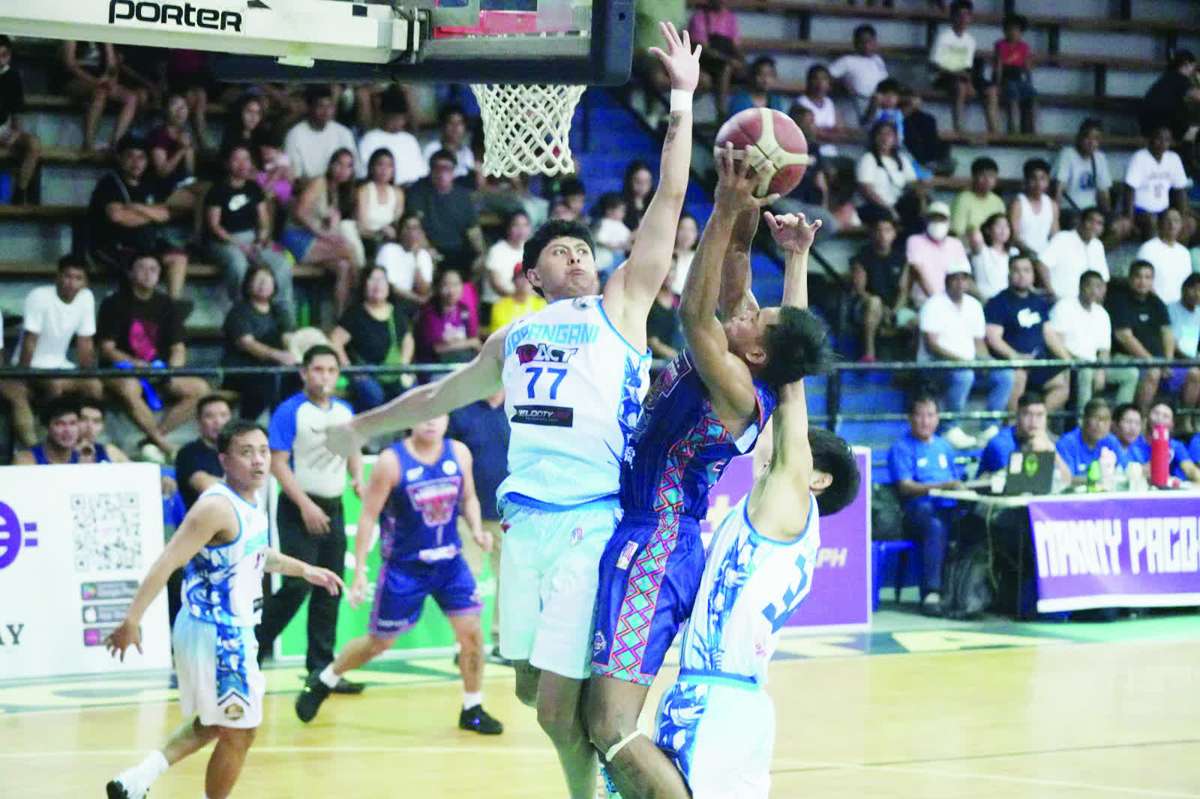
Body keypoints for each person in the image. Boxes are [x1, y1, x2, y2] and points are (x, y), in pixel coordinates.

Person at [320, 23, 699, 799]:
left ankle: (598, 782)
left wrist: (684, 104)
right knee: (534, 693)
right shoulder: (514, 335)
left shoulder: (620, 306)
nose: (579, 257)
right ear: (531, 273)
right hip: (524, 527)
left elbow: (665, 201)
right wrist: (362, 426)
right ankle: (609, 740)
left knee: (561, 704)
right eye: (561, 253)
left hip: (591, 521)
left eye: (584, 250)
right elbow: (436, 396)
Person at [588, 152, 830, 798]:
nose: (747, 309)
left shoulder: (739, 388)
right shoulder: (754, 365)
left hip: (658, 541)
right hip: (651, 546)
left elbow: (698, 316)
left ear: (756, 351)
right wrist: (757, 213)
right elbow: (736, 282)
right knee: (591, 718)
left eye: (758, 318)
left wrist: (723, 206)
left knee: (606, 724)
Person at [652, 329, 859, 798]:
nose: (785, 443)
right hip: (743, 702)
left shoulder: (787, 504)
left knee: (615, 745)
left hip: (714, 699)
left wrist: (794, 275)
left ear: (818, 479)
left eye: (802, 447)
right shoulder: (781, 522)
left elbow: (792, 387)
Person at [103, 421, 345, 799]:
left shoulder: (250, 501)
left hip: (226, 630)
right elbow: (167, 561)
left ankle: (134, 780)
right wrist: (132, 619)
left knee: (218, 722)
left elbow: (255, 554)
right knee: (241, 731)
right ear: (224, 460)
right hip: (217, 633)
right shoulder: (216, 507)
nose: (258, 461)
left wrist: (305, 569)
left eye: (263, 451)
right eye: (246, 452)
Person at [294, 415, 503, 733]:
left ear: (447, 420)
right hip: (405, 568)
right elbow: (367, 517)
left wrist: (476, 529)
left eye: (439, 415)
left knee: (472, 634)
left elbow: (468, 497)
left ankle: (472, 707)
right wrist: (361, 570)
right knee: (379, 643)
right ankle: (325, 679)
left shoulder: (459, 453)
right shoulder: (392, 461)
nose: (431, 422)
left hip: (449, 563)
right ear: (411, 419)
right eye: (425, 416)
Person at [257, 345, 364, 690]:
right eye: (318, 369)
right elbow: (277, 463)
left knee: (330, 586)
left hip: (333, 506)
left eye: (331, 370)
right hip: (298, 507)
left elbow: (353, 447)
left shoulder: (345, 410)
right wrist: (305, 505)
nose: (325, 377)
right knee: (297, 583)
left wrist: (358, 478)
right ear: (304, 373)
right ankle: (253, 649)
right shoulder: (291, 412)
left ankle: (321, 669)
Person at [97, 255, 210, 458]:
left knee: (200, 389)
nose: (148, 274)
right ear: (130, 273)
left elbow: (178, 347)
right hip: (120, 369)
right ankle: (163, 445)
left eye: (154, 269)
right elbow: (107, 348)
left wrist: (171, 370)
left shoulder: (167, 304)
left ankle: (152, 439)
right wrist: (135, 364)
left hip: (158, 369)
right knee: (131, 387)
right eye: (142, 268)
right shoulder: (113, 303)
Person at [0, 256, 102, 448]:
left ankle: (83, 444)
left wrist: (87, 373)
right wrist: (23, 376)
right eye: (67, 276)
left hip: (61, 364)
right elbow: (30, 341)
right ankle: (48, 440)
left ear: (85, 281)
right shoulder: (39, 296)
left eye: (78, 278)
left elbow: (85, 342)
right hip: (34, 366)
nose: (71, 282)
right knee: (55, 385)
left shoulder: (86, 297)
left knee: (94, 386)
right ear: (57, 277)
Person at [918, 263, 1014, 449]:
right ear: (947, 281)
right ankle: (949, 428)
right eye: (955, 278)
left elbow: (979, 344)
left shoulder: (974, 305)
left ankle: (990, 427)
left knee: (1004, 373)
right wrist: (962, 361)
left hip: (968, 361)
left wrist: (987, 362)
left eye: (964, 278)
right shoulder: (933, 304)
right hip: (935, 363)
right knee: (964, 374)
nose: (960, 282)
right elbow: (932, 346)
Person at [86, 135, 191, 299]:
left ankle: (172, 308)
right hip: (114, 244)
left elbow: (166, 214)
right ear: (120, 159)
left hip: (147, 243)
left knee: (178, 257)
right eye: (130, 156)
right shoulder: (110, 183)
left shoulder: (151, 182)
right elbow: (117, 216)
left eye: (141, 157)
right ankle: (137, 314)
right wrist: (152, 213)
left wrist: (137, 208)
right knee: (142, 266)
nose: (136, 162)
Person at [448, 391, 511, 658]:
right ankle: (464, 644)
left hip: (511, 514)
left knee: (509, 580)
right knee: (466, 580)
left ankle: (504, 642)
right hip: (467, 512)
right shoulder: (462, 411)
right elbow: (447, 458)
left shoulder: (520, 409)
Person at [889, 395, 964, 614]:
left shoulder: (944, 447)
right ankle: (931, 592)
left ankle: (966, 591)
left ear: (938, 419)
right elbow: (904, 486)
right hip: (916, 510)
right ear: (910, 418)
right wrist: (942, 486)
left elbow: (957, 480)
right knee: (934, 524)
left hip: (948, 506)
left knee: (976, 520)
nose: (925, 421)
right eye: (920, 415)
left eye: (930, 415)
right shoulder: (901, 447)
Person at [205, 143, 295, 316]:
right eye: (236, 159)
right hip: (225, 241)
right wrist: (239, 245)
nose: (242, 164)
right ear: (227, 163)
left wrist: (260, 240)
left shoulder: (254, 189)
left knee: (283, 262)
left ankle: (282, 313)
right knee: (238, 264)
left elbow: (264, 222)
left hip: (252, 239)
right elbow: (214, 226)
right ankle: (242, 312)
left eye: (246, 159)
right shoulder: (217, 190)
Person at [171, 394, 233, 628]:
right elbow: (205, 485)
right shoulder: (189, 453)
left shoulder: (237, 453)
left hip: (234, 538)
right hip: (197, 542)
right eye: (210, 416)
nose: (218, 422)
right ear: (199, 421)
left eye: (223, 415)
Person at [984, 255, 1071, 413]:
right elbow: (993, 338)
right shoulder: (998, 302)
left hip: (1038, 361)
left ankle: (1036, 421)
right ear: (1009, 274)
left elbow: (1048, 333)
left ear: (1032, 275)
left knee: (1062, 385)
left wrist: (1067, 359)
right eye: (1016, 270)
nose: (1021, 274)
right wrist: (1016, 357)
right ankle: (1013, 426)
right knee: (1019, 376)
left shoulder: (1038, 301)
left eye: (1026, 270)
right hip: (1012, 363)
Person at [282, 147, 362, 317]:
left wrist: (330, 232)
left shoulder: (337, 192)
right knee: (349, 250)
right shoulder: (319, 182)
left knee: (344, 266)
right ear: (331, 165)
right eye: (338, 164)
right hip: (296, 237)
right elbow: (300, 212)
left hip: (315, 241)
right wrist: (323, 234)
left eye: (348, 166)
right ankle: (361, 300)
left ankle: (341, 317)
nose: (342, 170)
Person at [1048, 270, 1139, 414]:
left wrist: (1101, 370)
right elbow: (1057, 341)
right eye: (1089, 286)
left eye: (1098, 287)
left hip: (1095, 363)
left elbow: (1104, 350)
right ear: (1080, 286)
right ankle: (1082, 423)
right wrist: (1078, 361)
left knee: (1131, 373)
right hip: (1070, 362)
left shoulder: (1102, 314)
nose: (1093, 291)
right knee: (1086, 372)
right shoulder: (1064, 306)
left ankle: (1120, 419)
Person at [329, 266, 415, 412]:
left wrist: (404, 363)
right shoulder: (355, 314)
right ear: (364, 285)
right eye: (372, 280)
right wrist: (350, 369)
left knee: (412, 391)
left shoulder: (397, 312)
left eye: (381, 280)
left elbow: (408, 339)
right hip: (366, 374)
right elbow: (335, 340)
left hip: (393, 371)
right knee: (373, 395)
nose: (377, 285)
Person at [221, 266, 297, 420]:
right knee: (267, 379)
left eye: (267, 281)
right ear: (248, 284)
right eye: (258, 280)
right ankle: (248, 423)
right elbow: (247, 343)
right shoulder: (239, 312)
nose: (263, 284)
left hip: (274, 367)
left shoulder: (279, 311)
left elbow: (288, 337)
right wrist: (276, 355)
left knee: (296, 377)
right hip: (243, 369)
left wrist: (292, 354)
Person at [1108, 260, 1173, 413]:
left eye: (1147, 277)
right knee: (1153, 372)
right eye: (1138, 277)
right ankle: (1141, 419)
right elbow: (1124, 337)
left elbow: (1167, 332)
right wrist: (1151, 361)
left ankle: (1188, 421)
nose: (1143, 281)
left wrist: (1168, 362)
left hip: (1158, 360)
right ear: (1130, 278)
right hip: (1125, 357)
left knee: (1193, 374)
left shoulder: (1156, 302)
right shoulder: (1119, 301)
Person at [405, 150, 486, 271]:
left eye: (447, 169)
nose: (442, 173)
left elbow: (473, 229)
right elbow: (414, 226)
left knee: (486, 262)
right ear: (431, 170)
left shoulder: (463, 195)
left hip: (459, 250)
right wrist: (426, 249)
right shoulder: (418, 192)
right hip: (430, 249)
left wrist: (482, 253)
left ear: (453, 171)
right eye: (438, 169)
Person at [849, 216, 912, 362]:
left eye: (887, 230)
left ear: (894, 234)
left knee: (916, 321)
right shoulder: (862, 257)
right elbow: (860, 291)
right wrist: (883, 311)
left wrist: (894, 311)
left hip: (894, 308)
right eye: (878, 230)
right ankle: (869, 354)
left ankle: (910, 367)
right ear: (872, 234)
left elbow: (903, 291)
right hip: (865, 306)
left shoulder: (901, 259)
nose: (883, 234)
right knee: (874, 302)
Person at [930, 0, 999, 133]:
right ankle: (959, 128)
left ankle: (993, 130)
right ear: (952, 17)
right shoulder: (943, 37)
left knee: (991, 90)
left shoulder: (970, 40)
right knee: (960, 87)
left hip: (963, 75)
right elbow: (935, 65)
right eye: (959, 15)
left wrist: (970, 83)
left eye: (967, 15)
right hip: (944, 75)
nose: (963, 19)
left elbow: (968, 67)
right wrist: (961, 78)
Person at [61, 41, 140, 152]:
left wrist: (111, 80)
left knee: (131, 98)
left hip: (100, 81)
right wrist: (94, 81)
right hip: (76, 80)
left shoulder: (104, 36)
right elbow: (70, 64)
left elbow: (112, 66)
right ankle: (88, 143)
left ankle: (115, 144)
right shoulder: (72, 33)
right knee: (100, 93)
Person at [977, 389, 1070, 482]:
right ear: (1017, 416)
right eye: (1027, 414)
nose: (1034, 421)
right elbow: (1012, 481)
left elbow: (1067, 481)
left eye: (1040, 415)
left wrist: (1052, 451)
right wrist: (1031, 452)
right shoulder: (1001, 444)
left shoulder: (1048, 440)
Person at [1122, 127, 1194, 242]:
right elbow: (1129, 189)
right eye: (1158, 139)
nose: (1162, 143)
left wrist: (1183, 216)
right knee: (1152, 221)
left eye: (1167, 140)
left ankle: (1175, 252)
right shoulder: (1140, 157)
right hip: (1140, 211)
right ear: (1151, 140)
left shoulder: (1173, 158)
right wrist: (1129, 218)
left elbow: (1181, 190)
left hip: (1164, 210)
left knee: (1189, 223)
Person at [1053, 119, 1119, 228]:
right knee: (1077, 222)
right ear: (1079, 137)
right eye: (1088, 137)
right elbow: (1058, 190)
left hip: (1092, 210)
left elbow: (1104, 193)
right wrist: (1055, 218)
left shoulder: (1100, 158)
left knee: (1120, 225)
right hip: (1069, 210)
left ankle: (1100, 245)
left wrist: (1108, 216)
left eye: (1096, 138)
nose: (1092, 142)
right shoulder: (1067, 154)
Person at [284, 84, 358, 181]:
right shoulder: (294, 135)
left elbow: (354, 170)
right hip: (309, 188)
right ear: (309, 108)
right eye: (320, 106)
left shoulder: (344, 133)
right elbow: (295, 178)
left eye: (329, 106)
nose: (326, 111)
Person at [357, 85, 427, 187]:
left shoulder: (410, 140)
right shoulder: (370, 139)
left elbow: (421, 173)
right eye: (394, 118)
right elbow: (364, 174)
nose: (398, 123)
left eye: (401, 119)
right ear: (383, 116)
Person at [0, 36, 42, 204]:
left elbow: (16, 112)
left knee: (34, 143)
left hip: (2, 128)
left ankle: (20, 190)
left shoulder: (12, 76)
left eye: (4, 55)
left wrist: (15, 134)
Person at [906, 201, 970, 309]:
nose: (937, 223)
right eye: (933, 219)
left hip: (953, 301)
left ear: (949, 222)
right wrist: (937, 303)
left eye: (941, 219)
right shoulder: (915, 241)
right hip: (924, 302)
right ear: (926, 221)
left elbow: (963, 276)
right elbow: (917, 273)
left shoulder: (956, 244)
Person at [1039, 206, 1109, 301]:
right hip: (1060, 300)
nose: (1094, 226)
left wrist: (1099, 301)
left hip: (1087, 304)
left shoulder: (1098, 245)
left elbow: (1103, 278)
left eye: (1099, 223)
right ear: (1081, 221)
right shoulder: (1063, 238)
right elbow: (1042, 264)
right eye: (1091, 221)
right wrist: (1051, 292)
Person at [855, 120, 918, 226]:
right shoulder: (868, 159)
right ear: (874, 138)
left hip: (897, 205)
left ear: (895, 139)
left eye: (889, 134)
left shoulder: (902, 159)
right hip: (875, 206)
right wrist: (888, 208)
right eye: (881, 134)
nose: (884, 138)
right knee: (884, 215)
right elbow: (866, 190)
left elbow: (912, 183)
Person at [1118, 401, 1200, 482]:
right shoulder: (1133, 442)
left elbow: (1190, 469)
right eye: (1156, 413)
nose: (1159, 418)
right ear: (1147, 417)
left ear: (1172, 424)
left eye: (1165, 416)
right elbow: (1128, 472)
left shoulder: (1175, 446)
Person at [687, 0, 743, 117]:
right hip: (705, 61)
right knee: (725, 68)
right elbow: (703, 49)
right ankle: (721, 112)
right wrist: (728, 60)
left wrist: (741, 61)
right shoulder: (699, 17)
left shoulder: (730, 18)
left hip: (726, 60)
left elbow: (736, 46)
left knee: (749, 72)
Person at [415, 268, 481, 365]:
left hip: (462, 365)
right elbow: (438, 348)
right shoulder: (429, 312)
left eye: (456, 284)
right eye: (446, 285)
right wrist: (470, 343)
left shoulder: (464, 310)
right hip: (436, 368)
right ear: (438, 288)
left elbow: (474, 338)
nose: (451, 290)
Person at [830, 24, 889, 123]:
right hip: (858, 101)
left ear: (875, 42)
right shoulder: (847, 60)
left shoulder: (878, 61)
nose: (866, 46)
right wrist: (842, 83)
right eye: (862, 42)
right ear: (855, 43)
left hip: (879, 101)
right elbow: (827, 75)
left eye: (869, 42)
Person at [1056, 398, 1126, 481]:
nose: (1100, 424)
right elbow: (1066, 479)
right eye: (1096, 418)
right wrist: (1099, 479)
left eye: (1106, 419)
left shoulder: (1111, 441)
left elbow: (1124, 471)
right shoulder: (1067, 443)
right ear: (1084, 419)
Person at [355, 148, 406, 262]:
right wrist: (378, 233)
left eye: (389, 166)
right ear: (372, 167)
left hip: (391, 241)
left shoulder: (398, 193)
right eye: (380, 164)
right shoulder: (364, 191)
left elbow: (398, 223)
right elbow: (361, 227)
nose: (384, 170)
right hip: (367, 240)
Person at [1139, 50, 1200, 142]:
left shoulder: (1167, 78)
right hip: (1163, 126)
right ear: (1186, 64)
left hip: (1149, 126)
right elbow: (1197, 96)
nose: (1193, 72)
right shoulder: (1180, 79)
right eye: (1193, 67)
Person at [1135, 209, 1193, 305]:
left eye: (1176, 221)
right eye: (1168, 220)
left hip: (1180, 308)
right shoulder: (1148, 248)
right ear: (1160, 223)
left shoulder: (1185, 253)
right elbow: (1141, 282)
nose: (1172, 224)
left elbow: (1188, 285)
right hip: (1154, 306)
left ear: (1181, 225)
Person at [376, 212, 435, 306]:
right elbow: (389, 286)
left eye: (415, 228)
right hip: (390, 299)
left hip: (411, 303)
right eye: (407, 227)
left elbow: (424, 290)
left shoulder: (424, 256)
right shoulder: (388, 250)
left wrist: (416, 259)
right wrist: (416, 299)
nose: (411, 232)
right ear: (401, 231)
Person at [483, 211, 532, 320]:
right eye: (516, 225)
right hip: (496, 304)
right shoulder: (496, 251)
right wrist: (517, 298)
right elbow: (496, 285)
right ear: (508, 228)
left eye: (525, 225)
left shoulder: (530, 251)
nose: (521, 230)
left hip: (522, 305)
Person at [993, 13, 1037, 134]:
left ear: (1021, 32)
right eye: (1010, 29)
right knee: (1013, 94)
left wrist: (1029, 82)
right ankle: (1014, 129)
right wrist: (997, 83)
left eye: (1016, 30)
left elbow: (1027, 66)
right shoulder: (1001, 45)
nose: (1013, 32)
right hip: (1006, 78)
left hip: (1018, 78)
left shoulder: (1024, 47)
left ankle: (1031, 129)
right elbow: (998, 65)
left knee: (1032, 94)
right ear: (1005, 31)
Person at [1008, 158, 1058, 259]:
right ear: (1026, 180)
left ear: (1048, 181)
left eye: (1042, 178)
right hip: (1021, 253)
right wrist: (1031, 253)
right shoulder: (1018, 204)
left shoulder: (1052, 204)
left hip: (1044, 254)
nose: (1038, 183)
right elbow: (1014, 236)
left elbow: (1055, 235)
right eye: (1033, 178)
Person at [12, 396, 82, 465]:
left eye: (73, 423)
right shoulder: (26, 460)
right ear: (47, 427)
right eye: (59, 424)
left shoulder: (83, 459)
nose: (68, 430)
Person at [794, 65, 842, 157]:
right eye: (815, 79)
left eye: (824, 79)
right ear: (809, 81)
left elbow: (840, 130)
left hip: (831, 153)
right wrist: (829, 132)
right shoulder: (801, 102)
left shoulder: (830, 103)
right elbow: (811, 133)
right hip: (810, 153)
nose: (820, 83)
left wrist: (821, 131)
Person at [950, 157, 1004, 238]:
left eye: (991, 176)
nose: (987, 180)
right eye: (982, 175)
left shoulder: (998, 201)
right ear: (973, 177)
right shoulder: (962, 200)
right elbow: (957, 233)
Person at [967, 212, 1015, 302]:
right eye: (999, 226)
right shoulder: (981, 250)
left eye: (1006, 226)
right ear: (988, 230)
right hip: (984, 299)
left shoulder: (1014, 252)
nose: (1003, 230)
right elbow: (975, 236)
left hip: (1007, 301)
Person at [420, 104, 476, 179]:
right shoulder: (432, 149)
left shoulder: (467, 152)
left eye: (459, 123)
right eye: (451, 123)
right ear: (443, 126)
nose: (455, 127)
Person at [488, 266, 546, 333]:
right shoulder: (500, 305)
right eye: (521, 276)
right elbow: (500, 334)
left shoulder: (542, 306)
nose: (526, 280)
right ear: (513, 280)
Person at [76, 400, 130, 464]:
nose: (89, 426)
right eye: (84, 419)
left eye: (96, 421)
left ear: (102, 426)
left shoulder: (111, 452)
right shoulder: (62, 454)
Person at [647, 267, 684, 361]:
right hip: (656, 363)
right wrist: (678, 358)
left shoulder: (681, 300)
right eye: (665, 269)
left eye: (672, 269)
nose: (668, 274)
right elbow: (652, 342)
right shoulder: (650, 302)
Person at [670, 213, 699, 295]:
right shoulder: (667, 256)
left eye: (691, 230)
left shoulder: (700, 259)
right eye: (682, 229)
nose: (686, 234)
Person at [621, 161, 654, 232]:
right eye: (638, 181)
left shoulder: (656, 203)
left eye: (646, 182)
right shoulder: (619, 202)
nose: (642, 186)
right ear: (629, 181)